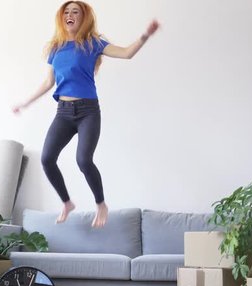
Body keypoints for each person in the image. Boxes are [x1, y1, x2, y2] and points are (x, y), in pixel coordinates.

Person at [13, 1, 159, 228]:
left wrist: (145, 36)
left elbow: (127, 53)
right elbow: (48, 82)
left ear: (84, 18)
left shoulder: (93, 43)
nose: (70, 15)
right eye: (66, 12)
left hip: (88, 111)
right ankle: (67, 202)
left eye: (75, 12)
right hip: (63, 112)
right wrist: (25, 103)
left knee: (83, 160)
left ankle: (101, 204)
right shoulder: (55, 48)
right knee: (47, 158)